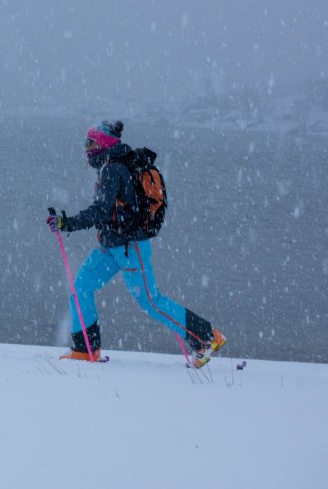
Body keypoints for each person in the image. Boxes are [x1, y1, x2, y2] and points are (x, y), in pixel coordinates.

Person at [46, 120, 226, 368]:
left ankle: (207, 337)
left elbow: (100, 211)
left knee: (151, 302)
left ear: (103, 144)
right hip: (110, 244)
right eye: (85, 143)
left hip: (130, 248)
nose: (86, 149)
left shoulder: (113, 169)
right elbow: (109, 211)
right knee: (81, 287)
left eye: (90, 143)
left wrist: (68, 223)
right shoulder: (112, 165)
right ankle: (85, 349)